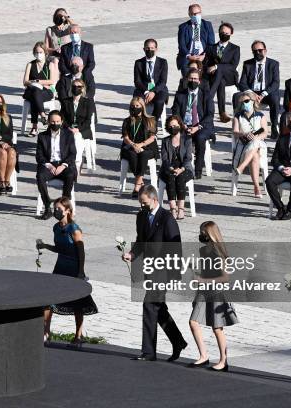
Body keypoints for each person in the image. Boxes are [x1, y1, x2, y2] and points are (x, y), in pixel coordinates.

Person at [122, 185, 188, 362]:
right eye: (140, 203)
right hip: (150, 269)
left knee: (149, 305)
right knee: (158, 308)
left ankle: (149, 352)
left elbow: (176, 248)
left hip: (164, 271)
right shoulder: (141, 216)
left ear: (154, 199)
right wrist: (132, 253)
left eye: (144, 203)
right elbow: (140, 240)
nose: (142, 206)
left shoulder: (167, 219)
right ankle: (178, 341)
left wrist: (174, 275)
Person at [37, 196, 98, 346]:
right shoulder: (56, 227)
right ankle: (46, 332)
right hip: (60, 266)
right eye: (55, 209)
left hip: (73, 267)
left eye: (59, 209)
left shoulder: (74, 229)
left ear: (67, 211)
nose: (56, 211)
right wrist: (45, 246)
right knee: (48, 299)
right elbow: (59, 248)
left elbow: (81, 252)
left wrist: (81, 271)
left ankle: (78, 335)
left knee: (78, 303)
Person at [189, 221, 239, 371]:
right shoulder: (204, 250)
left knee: (217, 327)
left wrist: (203, 279)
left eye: (203, 233)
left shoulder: (218, 251)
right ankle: (203, 356)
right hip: (204, 291)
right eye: (200, 232)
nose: (201, 235)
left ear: (210, 234)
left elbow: (225, 278)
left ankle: (223, 361)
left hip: (217, 291)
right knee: (193, 322)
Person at [172, 68, 215, 179]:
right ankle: (179, 166)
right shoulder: (180, 95)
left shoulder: (206, 95)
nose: (193, 81)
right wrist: (183, 126)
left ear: (199, 81)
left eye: (195, 79)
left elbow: (210, 114)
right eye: (191, 78)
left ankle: (198, 169)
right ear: (187, 79)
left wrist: (197, 127)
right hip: (184, 125)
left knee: (200, 138)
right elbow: (175, 113)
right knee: (178, 137)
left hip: (201, 126)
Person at [35, 110, 77, 220]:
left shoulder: (68, 135)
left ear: (62, 122)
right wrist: (49, 165)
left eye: (58, 121)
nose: (55, 124)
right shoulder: (42, 136)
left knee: (70, 175)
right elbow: (39, 156)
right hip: (49, 166)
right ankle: (47, 206)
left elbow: (73, 153)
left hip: (63, 165)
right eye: (53, 122)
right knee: (40, 176)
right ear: (48, 122)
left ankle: (64, 206)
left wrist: (63, 165)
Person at [237, 40, 280, 139]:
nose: (257, 53)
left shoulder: (273, 64)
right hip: (252, 92)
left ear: (265, 51)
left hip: (266, 92)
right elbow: (242, 83)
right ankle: (244, 125)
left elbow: (276, 82)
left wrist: (264, 94)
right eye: (255, 51)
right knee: (240, 97)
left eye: (260, 50)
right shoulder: (248, 64)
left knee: (275, 98)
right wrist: (252, 94)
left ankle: (274, 125)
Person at [232, 91, 268, 198]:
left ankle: (242, 167)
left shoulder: (261, 116)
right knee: (255, 156)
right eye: (242, 102)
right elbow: (235, 132)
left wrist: (256, 137)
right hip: (244, 145)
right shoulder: (238, 116)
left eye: (247, 101)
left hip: (259, 145)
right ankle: (256, 186)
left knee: (256, 142)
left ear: (253, 101)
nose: (244, 104)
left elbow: (265, 132)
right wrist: (244, 134)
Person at [121, 97, 159, 197]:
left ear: (142, 106)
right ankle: (140, 182)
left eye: (137, 106)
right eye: (133, 106)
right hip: (131, 146)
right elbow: (125, 137)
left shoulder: (150, 120)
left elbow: (152, 138)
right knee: (132, 154)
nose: (135, 108)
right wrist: (134, 145)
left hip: (147, 146)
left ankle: (137, 185)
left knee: (144, 154)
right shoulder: (127, 121)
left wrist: (141, 145)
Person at [203, 22, 240, 123]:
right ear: (219, 32)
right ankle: (222, 113)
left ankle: (209, 98)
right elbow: (205, 63)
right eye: (222, 32)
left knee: (220, 73)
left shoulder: (235, 49)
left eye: (227, 33)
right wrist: (209, 68)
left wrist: (216, 66)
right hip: (214, 77)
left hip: (229, 77)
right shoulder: (211, 47)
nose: (224, 34)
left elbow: (233, 66)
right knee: (221, 81)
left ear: (231, 34)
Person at [159, 116, 193, 220]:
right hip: (169, 168)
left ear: (180, 125)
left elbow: (188, 158)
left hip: (184, 168)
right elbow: (164, 159)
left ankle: (181, 209)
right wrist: (171, 169)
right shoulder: (165, 141)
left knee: (181, 177)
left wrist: (181, 169)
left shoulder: (187, 139)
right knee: (170, 177)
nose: (173, 127)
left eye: (175, 125)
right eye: (170, 126)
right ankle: (173, 208)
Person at [23, 42, 58, 137]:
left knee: (35, 95)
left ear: (45, 53)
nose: (38, 54)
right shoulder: (30, 64)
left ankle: (34, 127)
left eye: (40, 52)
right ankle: (43, 115)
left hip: (46, 92)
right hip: (31, 91)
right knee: (35, 92)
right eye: (36, 52)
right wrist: (33, 83)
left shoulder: (50, 64)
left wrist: (38, 81)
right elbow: (25, 81)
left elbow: (52, 80)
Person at [60, 78, 95, 172]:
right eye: (74, 86)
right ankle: (68, 162)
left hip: (83, 129)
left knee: (76, 138)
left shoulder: (88, 102)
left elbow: (88, 121)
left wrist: (78, 129)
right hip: (68, 128)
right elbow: (62, 118)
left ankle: (76, 163)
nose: (76, 88)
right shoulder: (66, 101)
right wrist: (68, 127)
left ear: (83, 89)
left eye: (79, 86)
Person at [133, 39, 168, 121]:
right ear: (144, 49)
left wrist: (153, 91)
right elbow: (137, 81)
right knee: (137, 103)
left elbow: (163, 81)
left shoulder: (163, 62)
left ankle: (153, 123)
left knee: (159, 102)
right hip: (143, 89)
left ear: (156, 49)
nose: (150, 50)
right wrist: (146, 91)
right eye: (147, 48)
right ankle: (139, 122)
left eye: (152, 48)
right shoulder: (139, 63)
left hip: (158, 89)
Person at [176, 3, 214, 75]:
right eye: (193, 14)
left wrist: (204, 55)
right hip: (188, 56)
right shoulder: (183, 27)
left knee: (207, 74)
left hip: (203, 55)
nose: (196, 15)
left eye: (198, 13)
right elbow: (181, 45)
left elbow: (211, 43)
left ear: (201, 13)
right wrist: (189, 56)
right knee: (187, 76)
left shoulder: (207, 25)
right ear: (189, 15)